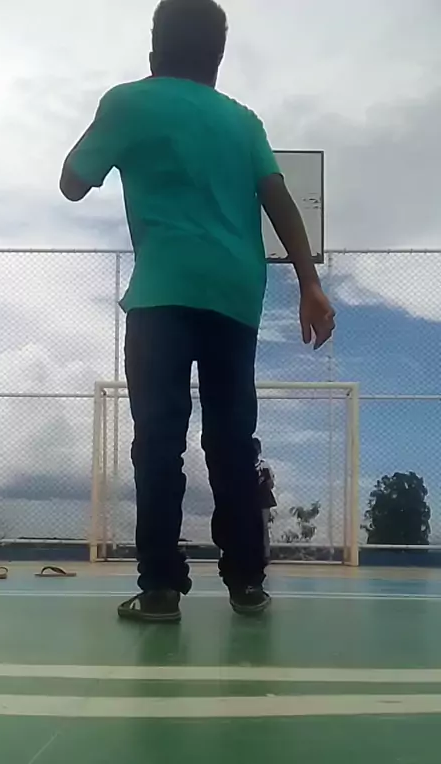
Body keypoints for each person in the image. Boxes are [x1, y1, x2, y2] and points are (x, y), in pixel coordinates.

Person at [60, 0, 335, 623]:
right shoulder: (243, 120)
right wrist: (310, 284)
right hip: (236, 294)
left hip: (163, 290)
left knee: (159, 439)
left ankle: (160, 588)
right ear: (218, 58)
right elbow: (279, 198)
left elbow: (72, 182)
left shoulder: (128, 102)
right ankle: (247, 582)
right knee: (232, 440)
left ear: (154, 49)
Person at [253, 438, 276, 564]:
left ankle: (265, 554)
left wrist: (266, 480)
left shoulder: (264, 465)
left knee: (263, 526)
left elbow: (271, 484)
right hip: (249, 499)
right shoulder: (244, 465)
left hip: (263, 499)